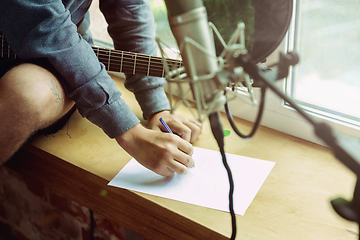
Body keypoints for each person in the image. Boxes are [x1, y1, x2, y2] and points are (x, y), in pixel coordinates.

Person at [0, 0, 202, 177]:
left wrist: (156, 107)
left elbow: (128, 11)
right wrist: (131, 134)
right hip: (52, 46)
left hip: (48, 66)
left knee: (29, 94)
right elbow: (47, 27)